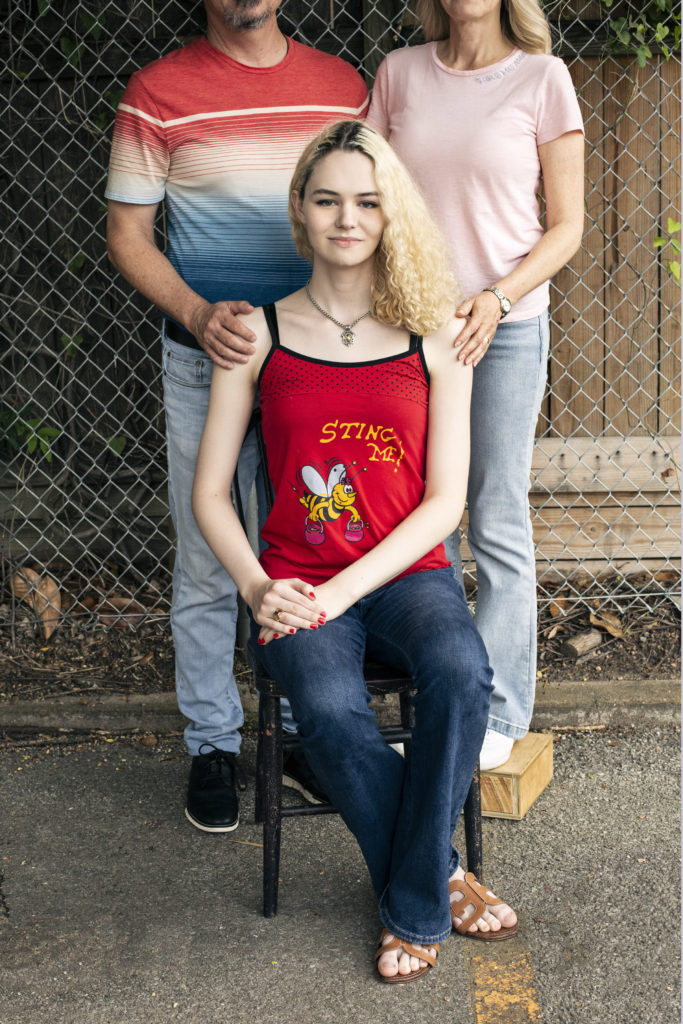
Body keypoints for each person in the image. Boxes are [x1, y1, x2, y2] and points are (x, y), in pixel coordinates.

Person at [192, 119, 518, 982]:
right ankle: (437, 878)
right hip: (293, 584)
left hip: (407, 576)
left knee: (459, 673)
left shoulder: (434, 336)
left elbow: (443, 502)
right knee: (330, 715)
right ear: (300, 211)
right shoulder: (256, 335)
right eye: (328, 198)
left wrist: (341, 594)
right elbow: (208, 493)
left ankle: (411, 897)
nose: (347, 218)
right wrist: (261, 587)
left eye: (368, 202)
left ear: (390, 216)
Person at [105, 0, 369, 831]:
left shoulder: (341, 87)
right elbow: (127, 232)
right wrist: (193, 311)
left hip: (316, 367)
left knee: (314, 544)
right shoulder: (158, 93)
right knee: (208, 556)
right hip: (205, 357)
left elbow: (371, 214)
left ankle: (297, 733)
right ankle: (213, 743)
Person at [367, 0, 584, 770]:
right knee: (408, 513)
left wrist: (495, 296)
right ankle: (425, 696)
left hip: (504, 328)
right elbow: (367, 201)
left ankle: (499, 712)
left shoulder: (542, 78)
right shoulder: (397, 75)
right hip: (405, 330)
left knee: (492, 512)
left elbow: (566, 227)